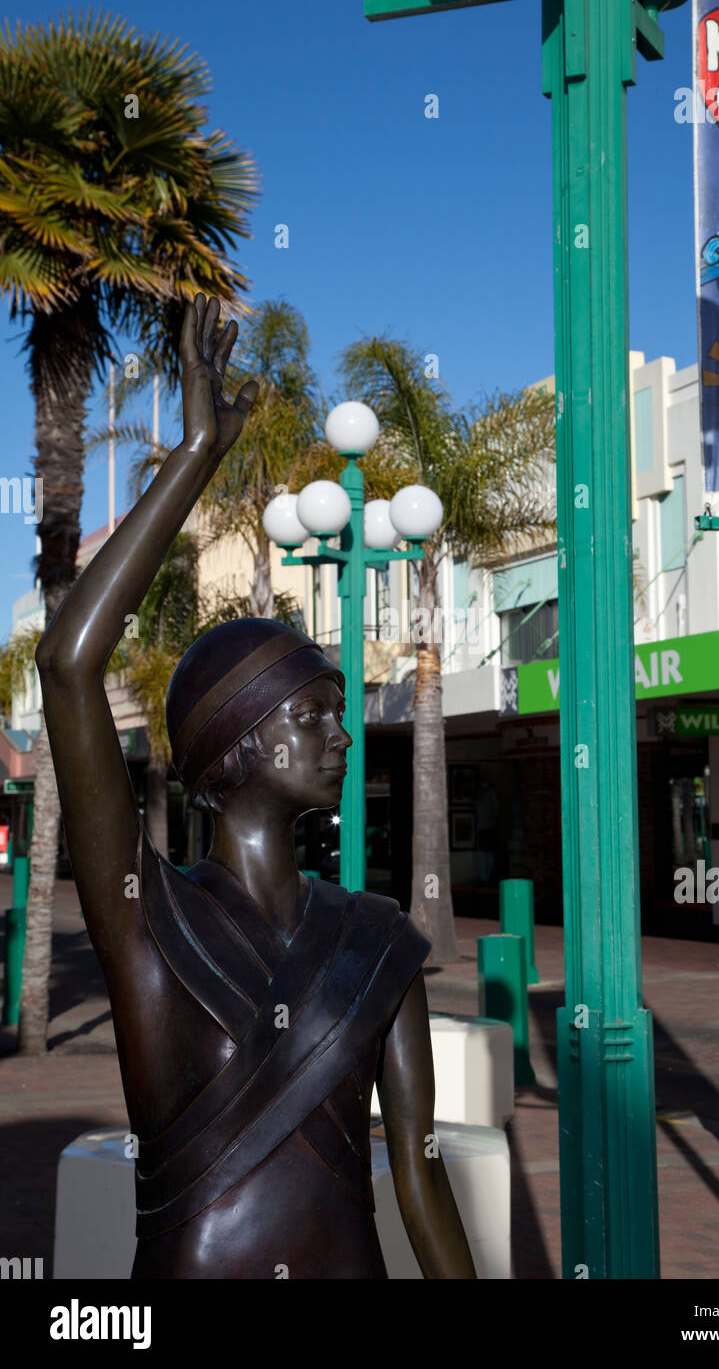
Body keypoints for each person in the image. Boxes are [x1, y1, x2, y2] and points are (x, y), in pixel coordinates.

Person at [36, 294, 476, 1280]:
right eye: (309, 714)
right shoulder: (148, 916)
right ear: (231, 748)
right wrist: (195, 455)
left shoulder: (378, 938)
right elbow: (69, 663)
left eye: (338, 708)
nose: (341, 734)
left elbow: (418, 1170)